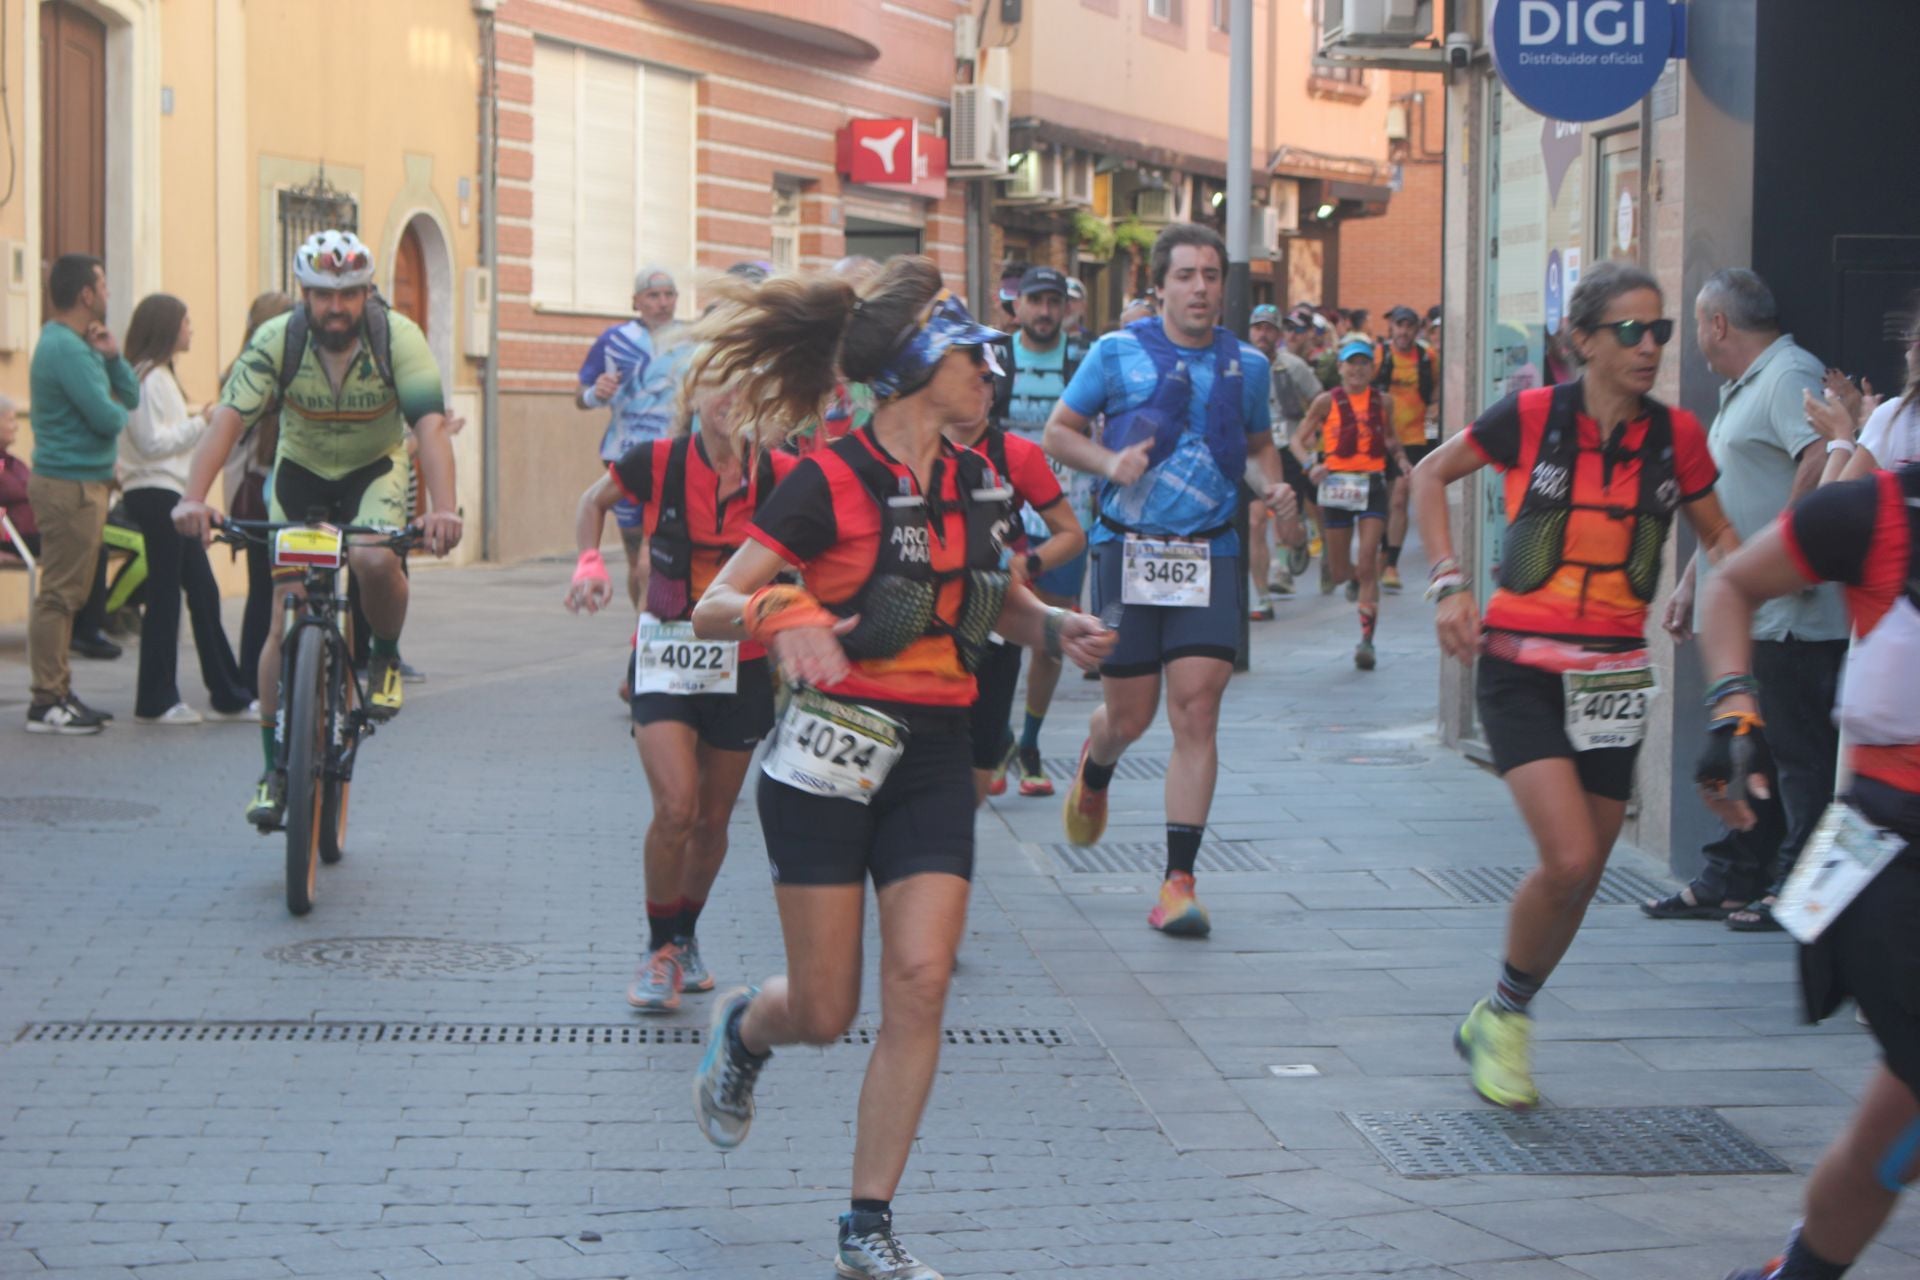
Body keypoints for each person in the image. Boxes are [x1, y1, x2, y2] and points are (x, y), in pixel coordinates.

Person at [683, 258, 1113, 1280]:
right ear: (924, 364)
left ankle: (866, 1220)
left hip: (931, 750)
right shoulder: (826, 481)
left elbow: (987, 590)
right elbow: (712, 603)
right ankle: (747, 1026)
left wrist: (1052, 620)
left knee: (919, 981)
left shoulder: (980, 478)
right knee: (825, 1012)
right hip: (828, 754)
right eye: (973, 354)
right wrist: (784, 616)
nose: (989, 369)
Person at [1409, 261, 1736, 1110]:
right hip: (1521, 671)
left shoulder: (1679, 437)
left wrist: (1774, 576)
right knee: (1572, 856)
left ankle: (1500, 1012)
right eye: (1629, 331)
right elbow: (1428, 476)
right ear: (1582, 341)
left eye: (1660, 330)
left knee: (1582, 878)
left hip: (1616, 680)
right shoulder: (1528, 418)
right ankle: (1508, 1022)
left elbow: (1724, 539)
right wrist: (1449, 582)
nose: (1649, 347)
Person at [1041, 222, 1299, 937]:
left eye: (1211, 275)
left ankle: (1179, 883)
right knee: (1132, 716)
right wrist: (1107, 464)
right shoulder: (1115, 354)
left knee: (1198, 710)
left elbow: (1255, 447)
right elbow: (1059, 432)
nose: (1200, 288)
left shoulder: (1246, 364)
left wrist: (1274, 493)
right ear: (1159, 285)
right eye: (1185, 275)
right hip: (1126, 551)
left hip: (1208, 555)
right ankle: (1098, 763)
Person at [1694, 465, 1920, 1280]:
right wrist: (1733, 710)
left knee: (1892, 1132)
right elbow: (1731, 587)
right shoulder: (1879, 512)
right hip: (1892, 867)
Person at [172, 229, 461, 826]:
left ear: (367, 292)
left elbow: (430, 427)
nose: (338, 308)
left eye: (350, 294)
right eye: (325, 294)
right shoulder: (277, 340)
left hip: (373, 470)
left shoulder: (398, 338)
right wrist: (191, 499)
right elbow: (227, 421)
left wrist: (445, 509)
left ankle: (381, 655)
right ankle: (275, 770)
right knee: (286, 612)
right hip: (300, 476)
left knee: (374, 561)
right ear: (303, 293)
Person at [566, 375, 796, 1012]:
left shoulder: (780, 472)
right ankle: (659, 948)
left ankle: (686, 934)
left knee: (712, 820)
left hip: (744, 661)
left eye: (744, 387)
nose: (729, 399)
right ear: (693, 395)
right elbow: (593, 501)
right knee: (676, 807)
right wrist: (589, 565)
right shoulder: (658, 461)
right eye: (717, 384)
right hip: (666, 655)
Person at [1646, 269, 1843, 930]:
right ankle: (1731, 877)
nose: (1693, 335)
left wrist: (1780, 556)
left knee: (1796, 760)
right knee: (1746, 753)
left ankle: (1792, 889)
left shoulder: (1789, 375)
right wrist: (1691, 581)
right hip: (1747, 614)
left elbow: (1822, 454)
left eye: (1696, 321)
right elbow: (1733, 501)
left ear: (1718, 324)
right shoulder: (1745, 387)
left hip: (1790, 618)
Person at [956, 284, 1087, 801]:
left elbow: (1071, 535)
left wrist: (1024, 566)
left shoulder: (1016, 455)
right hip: (928, 623)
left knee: (976, 776)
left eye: (986, 383)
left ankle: (1016, 744)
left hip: (996, 614)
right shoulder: (915, 449)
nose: (975, 393)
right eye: (966, 380)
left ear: (996, 392)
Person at [117, 294, 255, 726]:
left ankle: (227, 694)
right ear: (166, 327)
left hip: (169, 493)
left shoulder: (158, 377)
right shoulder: (147, 378)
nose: (191, 328)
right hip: (156, 492)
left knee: (201, 591)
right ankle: (158, 699)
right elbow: (151, 443)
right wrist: (204, 422)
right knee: (167, 597)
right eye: (186, 320)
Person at [989, 265, 1092, 797]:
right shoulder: (995, 359)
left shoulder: (1082, 360)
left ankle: (1028, 741)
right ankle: (998, 736)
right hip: (1002, 514)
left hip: (1064, 516)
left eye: (1054, 301)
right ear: (1018, 306)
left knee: (1050, 637)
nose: (1046, 312)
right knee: (996, 626)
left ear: (1066, 307)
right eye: (1036, 301)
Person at [25, 254, 139, 735]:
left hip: (82, 483)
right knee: (59, 596)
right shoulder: (65, 349)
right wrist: (106, 384)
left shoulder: (79, 345)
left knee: (67, 595)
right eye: (105, 285)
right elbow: (111, 418)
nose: (110, 294)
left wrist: (113, 358)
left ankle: (59, 691)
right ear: (86, 295)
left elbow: (128, 398)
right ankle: (46, 701)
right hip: (68, 485)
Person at [1294, 337, 1412, 669]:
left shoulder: (1383, 402)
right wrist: (1310, 465)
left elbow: (1389, 437)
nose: (1357, 369)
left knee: (1367, 559)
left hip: (1371, 485)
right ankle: (1348, 577)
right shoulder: (1325, 402)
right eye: (1351, 363)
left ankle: (1366, 642)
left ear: (1371, 368)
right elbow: (1297, 440)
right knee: (1343, 570)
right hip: (1336, 488)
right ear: (1341, 367)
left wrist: (1401, 460)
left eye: (1363, 363)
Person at [577, 267, 686, 614]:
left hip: (675, 462)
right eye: (653, 296)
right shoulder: (615, 340)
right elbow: (580, 396)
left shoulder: (693, 339)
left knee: (652, 561)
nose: (663, 303)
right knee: (635, 557)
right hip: (626, 461)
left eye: (669, 295)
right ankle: (641, 638)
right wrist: (596, 393)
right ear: (636, 301)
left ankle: (646, 646)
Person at [217, 293, 297, 695]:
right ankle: (256, 676)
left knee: (265, 589)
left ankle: (262, 673)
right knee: (267, 591)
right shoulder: (259, 373)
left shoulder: (237, 367)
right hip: (262, 495)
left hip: (250, 492)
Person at [1244, 304, 1315, 617]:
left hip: (1285, 449)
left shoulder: (1294, 366)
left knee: (1287, 526)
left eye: (1269, 328)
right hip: (1252, 451)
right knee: (1256, 521)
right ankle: (1262, 597)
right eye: (1258, 327)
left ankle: (1299, 540)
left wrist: (1306, 436)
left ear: (1278, 333)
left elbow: (1320, 402)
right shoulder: (1241, 364)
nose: (1263, 333)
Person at [1377, 304, 1438, 594]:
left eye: (1408, 326)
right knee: (1382, 502)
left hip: (1413, 440)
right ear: (1392, 328)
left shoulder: (1427, 357)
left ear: (1416, 329)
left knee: (1400, 497)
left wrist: (1436, 407)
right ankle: (1381, 552)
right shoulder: (1380, 356)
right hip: (1378, 438)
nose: (1403, 332)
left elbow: (1436, 388)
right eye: (1399, 326)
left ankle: (1391, 564)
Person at [1064, 275, 1091, 341]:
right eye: (1063, 299)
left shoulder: (1093, 344)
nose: (1067, 305)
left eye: (1072, 299)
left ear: (1084, 307)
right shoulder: (1038, 343)